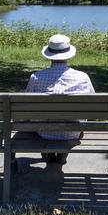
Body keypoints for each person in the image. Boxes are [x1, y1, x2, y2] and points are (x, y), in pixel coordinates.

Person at [26, 34, 95, 164]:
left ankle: (49, 152)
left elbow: (26, 105)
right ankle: (62, 152)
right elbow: (93, 104)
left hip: (43, 132)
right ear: (68, 54)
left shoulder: (35, 77)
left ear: (49, 54)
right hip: (72, 132)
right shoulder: (83, 77)